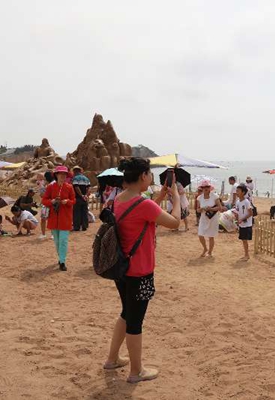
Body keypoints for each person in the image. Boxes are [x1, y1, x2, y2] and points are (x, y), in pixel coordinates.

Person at [104, 157, 181, 384]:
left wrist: (160, 196)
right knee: (135, 321)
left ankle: (112, 359)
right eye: (149, 173)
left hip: (122, 269)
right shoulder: (143, 204)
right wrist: (176, 198)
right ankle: (136, 371)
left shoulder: (120, 199)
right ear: (143, 176)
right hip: (140, 271)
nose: (151, 177)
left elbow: (142, 213)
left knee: (126, 313)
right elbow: (175, 222)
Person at [42, 166, 75, 271]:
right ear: (56, 175)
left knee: (63, 240)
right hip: (53, 218)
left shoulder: (69, 187)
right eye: (60, 174)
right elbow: (44, 200)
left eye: (64, 174)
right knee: (57, 241)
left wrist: (67, 202)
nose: (62, 176)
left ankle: (62, 261)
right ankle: (61, 257)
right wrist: (51, 201)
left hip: (65, 218)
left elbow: (73, 200)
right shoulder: (50, 187)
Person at [196, 179, 224, 257]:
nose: (206, 188)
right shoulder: (199, 198)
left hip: (213, 218)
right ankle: (205, 248)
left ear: (209, 187)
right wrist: (202, 209)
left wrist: (210, 209)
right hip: (203, 218)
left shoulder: (215, 196)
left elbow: (220, 207)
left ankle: (210, 252)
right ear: (201, 188)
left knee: (211, 236)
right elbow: (197, 210)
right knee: (200, 234)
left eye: (207, 186)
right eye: (204, 187)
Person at [234, 184, 253, 261]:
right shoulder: (238, 202)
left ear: (243, 192)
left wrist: (242, 219)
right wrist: (237, 218)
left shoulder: (246, 202)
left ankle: (247, 255)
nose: (237, 192)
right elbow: (238, 211)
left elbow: (250, 213)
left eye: (238, 191)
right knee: (243, 240)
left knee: (245, 240)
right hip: (241, 224)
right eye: (236, 191)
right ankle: (246, 254)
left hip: (247, 224)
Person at [71, 166, 91, 232]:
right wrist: (86, 195)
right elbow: (89, 188)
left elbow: (76, 187)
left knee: (76, 212)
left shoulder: (75, 178)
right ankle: (84, 226)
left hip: (77, 198)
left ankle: (76, 227)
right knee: (84, 212)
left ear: (75, 171)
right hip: (85, 198)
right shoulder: (86, 178)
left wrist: (81, 195)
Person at [38, 171, 54, 239]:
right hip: (50, 203)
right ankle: (52, 234)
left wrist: (41, 187)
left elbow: (42, 195)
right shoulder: (52, 184)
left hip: (48, 203)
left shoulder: (51, 184)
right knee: (49, 219)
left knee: (44, 219)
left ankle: (44, 234)